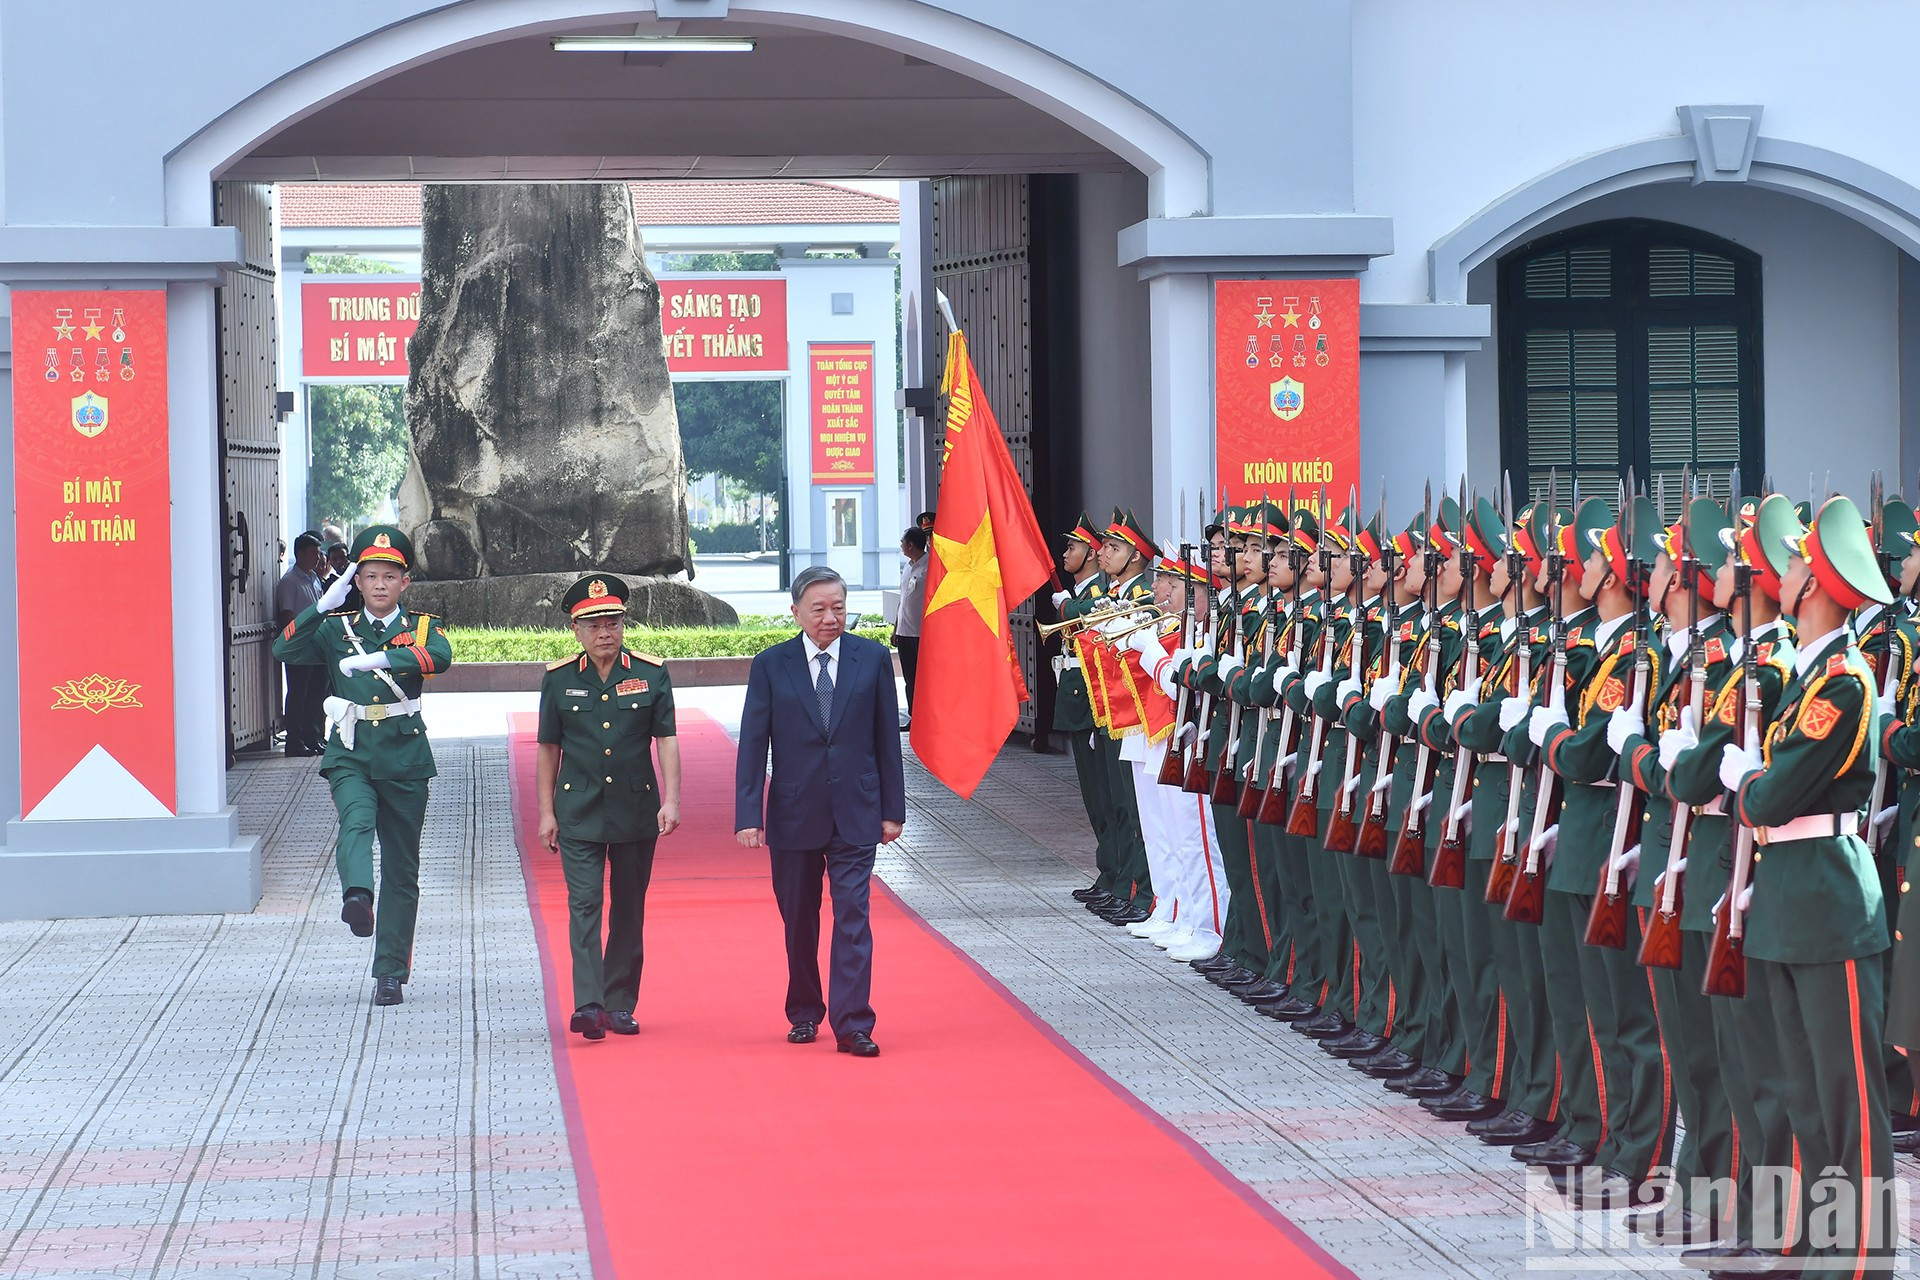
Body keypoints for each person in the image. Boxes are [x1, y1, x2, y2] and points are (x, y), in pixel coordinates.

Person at [271, 525, 453, 1007]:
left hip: (405, 756)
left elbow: (440, 657)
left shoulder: (421, 627)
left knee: (402, 868)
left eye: (389, 576)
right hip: (351, 751)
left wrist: (380, 660)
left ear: (404, 582)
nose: (379, 584)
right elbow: (283, 650)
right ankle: (357, 896)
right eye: (370, 576)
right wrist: (320, 607)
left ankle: (390, 972)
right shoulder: (336, 628)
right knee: (355, 821)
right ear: (357, 581)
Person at [734, 565, 906, 1057]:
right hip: (793, 812)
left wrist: (892, 810)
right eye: (820, 609)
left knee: (853, 914)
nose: (831, 618)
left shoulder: (872, 658)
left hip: (857, 810)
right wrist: (749, 815)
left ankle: (854, 1023)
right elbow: (753, 743)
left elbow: (886, 739)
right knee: (799, 919)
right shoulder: (771, 665)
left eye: (839, 608)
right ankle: (805, 1012)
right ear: (796, 613)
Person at [536, 575, 682, 1040]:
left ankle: (619, 1003)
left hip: (635, 809)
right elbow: (548, 748)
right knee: (585, 903)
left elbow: (666, 739)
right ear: (576, 630)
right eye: (594, 625)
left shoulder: (651, 673)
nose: (605, 633)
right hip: (577, 810)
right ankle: (588, 1003)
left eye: (613, 623)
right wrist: (546, 812)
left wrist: (672, 799)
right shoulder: (559, 678)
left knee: (628, 907)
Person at [275, 530, 328, 757]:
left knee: (316, 693)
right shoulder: (290, 581)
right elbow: (287, 615)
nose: (318, 558)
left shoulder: (314, 578)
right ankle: (294, 741)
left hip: (318, 645)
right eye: (314, 553)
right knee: (299, 694)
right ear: (301, 553)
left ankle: (313, 737)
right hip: (299, 646)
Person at [894, 527, 928, 726]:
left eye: (902, 542)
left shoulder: (929, 568)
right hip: (904, 632)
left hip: (921, 633)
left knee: (924, 678)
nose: (901, 546)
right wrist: (895, 628)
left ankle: (926, 717)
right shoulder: (907, 567)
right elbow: (903, 600)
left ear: (911, 544)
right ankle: (914, 717)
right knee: (910, 677)